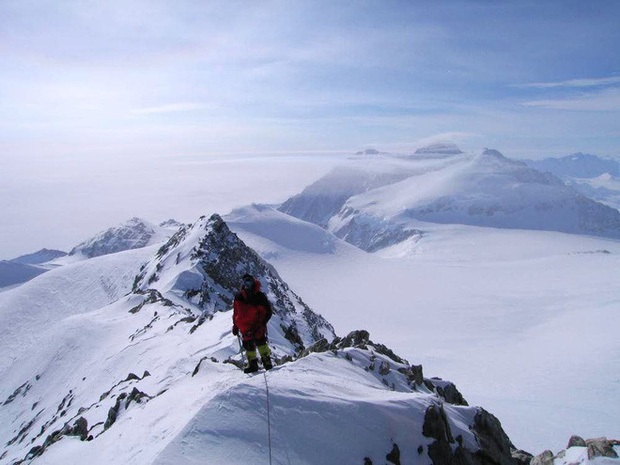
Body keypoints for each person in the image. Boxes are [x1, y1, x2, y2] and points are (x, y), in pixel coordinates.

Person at [232, 273, 273, 373]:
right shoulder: (238, 297)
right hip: (244, 327)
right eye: (245, 282)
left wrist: (262, 323)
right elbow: (236, 312)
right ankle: (252, 365)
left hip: (257, 326)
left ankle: (266, 362)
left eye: (249, 281)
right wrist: (235, 325)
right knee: (248, 346)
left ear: (253, 282)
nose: (247, 284)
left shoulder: (259, 296)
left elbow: (268, 312)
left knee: (261, 343)